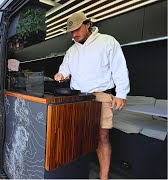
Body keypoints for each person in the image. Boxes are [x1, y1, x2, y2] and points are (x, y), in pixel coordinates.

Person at [54, 12, 130, 180]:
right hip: (77, 99)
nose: (74, 34)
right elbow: (64, 71)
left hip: (101, 96)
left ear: (87, 24)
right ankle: (77, 172)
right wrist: (60, 75)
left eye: (77, 29)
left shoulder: (107, 41)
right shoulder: (71, 51)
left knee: (101, 137)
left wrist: (121, 94)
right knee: (77, 136)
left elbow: (119, 68)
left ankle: (104, 177)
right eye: (71, 31)